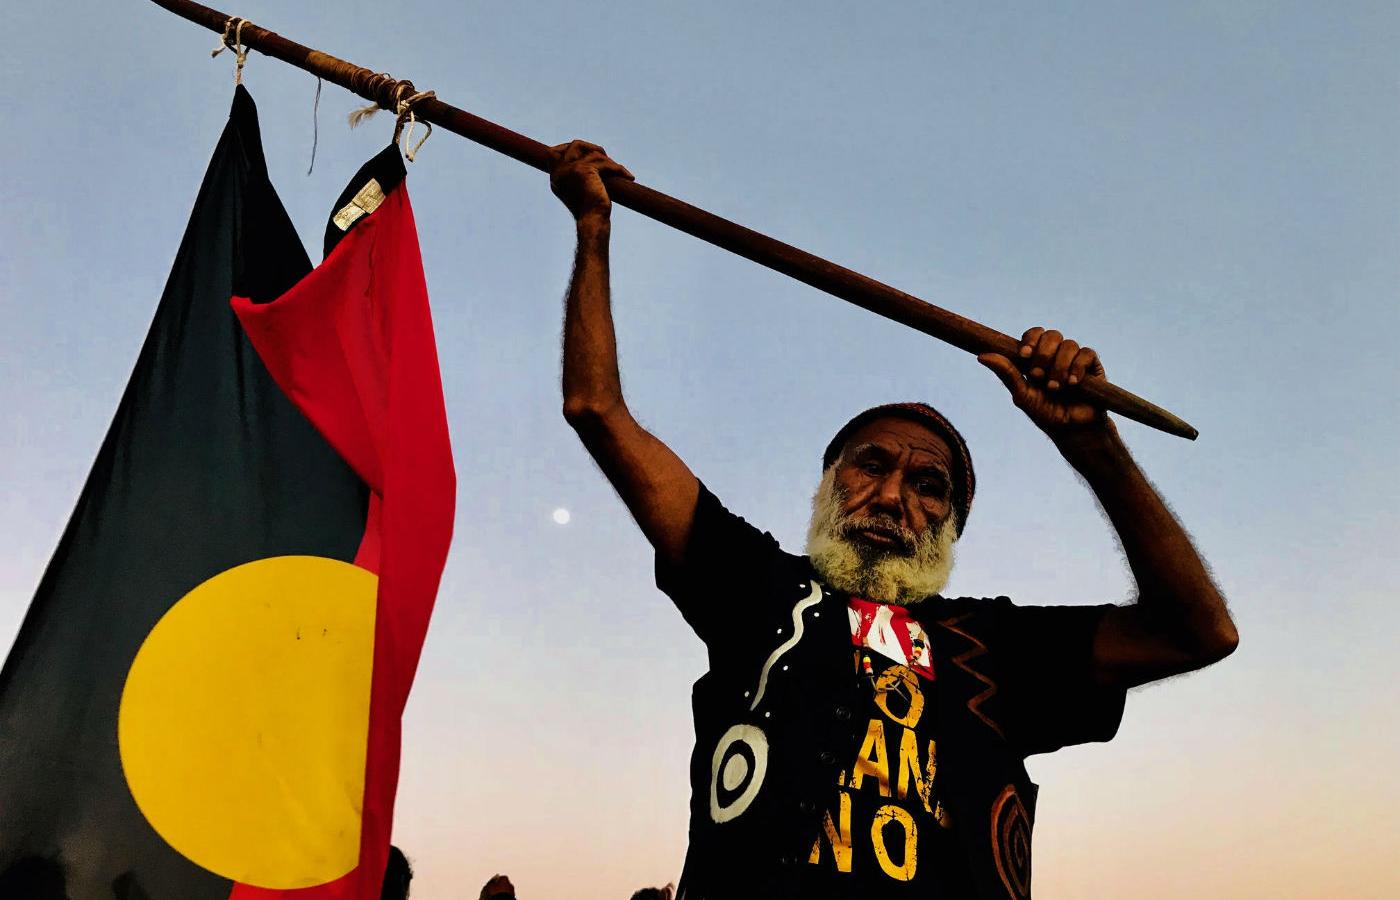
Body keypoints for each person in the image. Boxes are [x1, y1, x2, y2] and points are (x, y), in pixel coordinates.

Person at [550, 140, 1238, 900]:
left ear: (952, 524)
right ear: (828, 487)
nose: (890, 495)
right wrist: (594, 230)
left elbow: (1198, 633)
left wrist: (1094, 447)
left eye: (927, 485)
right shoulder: (754, 587)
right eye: (870, 465)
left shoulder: (996, 646)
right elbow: (597, 409)